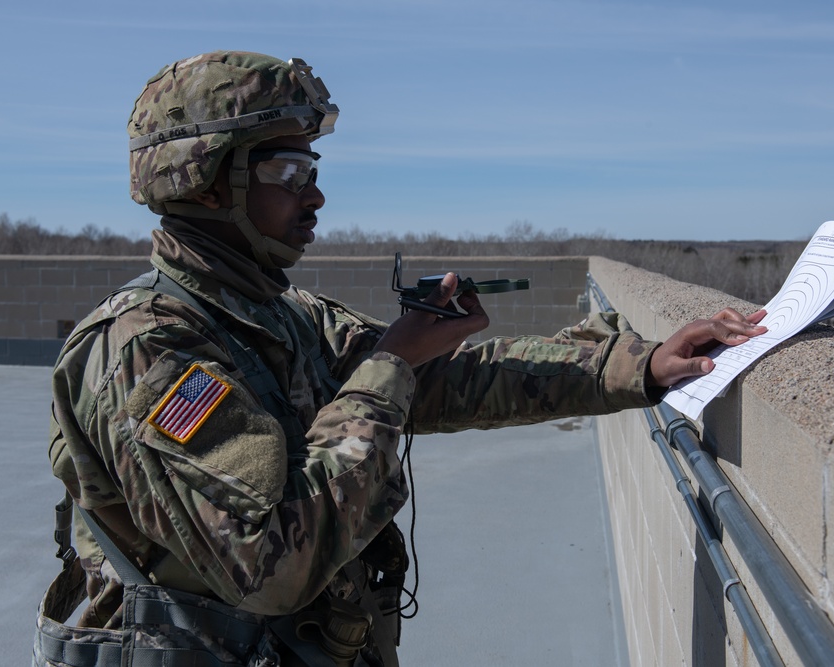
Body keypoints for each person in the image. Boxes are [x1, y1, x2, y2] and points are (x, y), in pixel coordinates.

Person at [37, 51, 766, 667]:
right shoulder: (144, 350)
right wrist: (393, 361)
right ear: (204, 179)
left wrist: (638, 364)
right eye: (288, 171)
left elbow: (450, 380)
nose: (315, 194)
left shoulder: (284, 314)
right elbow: (272, 563)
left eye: (310, 167)